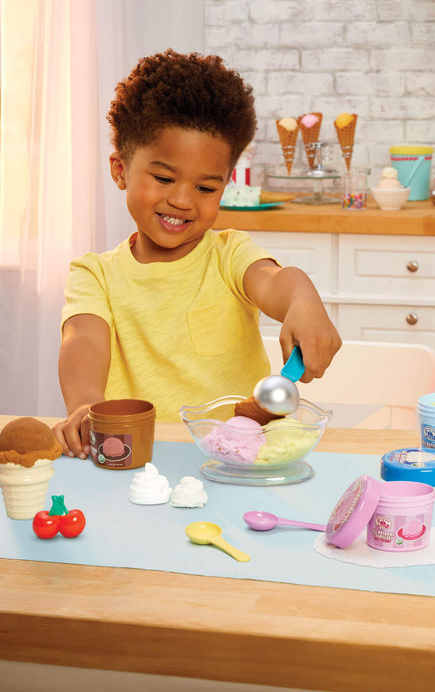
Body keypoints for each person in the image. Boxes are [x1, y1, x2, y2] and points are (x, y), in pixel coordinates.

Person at [54, 50, 341, 458]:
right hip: (139, 461)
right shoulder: (95, 274)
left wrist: (304, 298)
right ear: (120, 170)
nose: (183, 200)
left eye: (206, 188)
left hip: (245, 462)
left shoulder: (230, 255)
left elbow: (277, 282)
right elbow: (82, 341)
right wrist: (84, 404)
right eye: (164, 178)